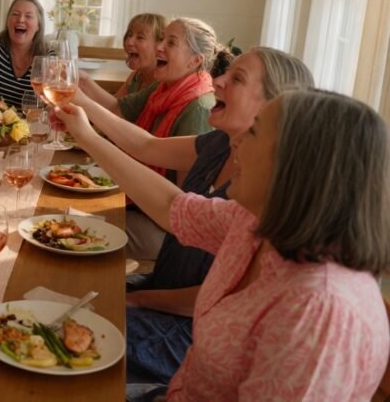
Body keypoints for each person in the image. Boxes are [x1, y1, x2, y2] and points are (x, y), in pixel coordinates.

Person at [56, 89, 390, 401]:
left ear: (296, 165)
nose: (237, 142)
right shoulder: (253, 223)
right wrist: (86, 136)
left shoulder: (319, 312)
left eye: (254, 132)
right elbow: (172, 207)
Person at [76, 48, 313, 385]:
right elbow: (149, 153)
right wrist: (81, 109)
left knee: (72, 333)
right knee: (70, 291)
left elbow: (217, 298)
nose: (217, 80)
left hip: (189, 328)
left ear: (274, 107)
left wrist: (136, 300)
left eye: (237, 78)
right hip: (161, 287)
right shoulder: (220, 144)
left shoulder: (263, 198)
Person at [77, 17, 228, 259]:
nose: (160, 46)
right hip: (139, 203)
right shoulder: (163, 88)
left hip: (164, 229)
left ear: (195, 61)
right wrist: (82, 82)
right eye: (161, 39)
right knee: (70, 209)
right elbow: (118, 110)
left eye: (171, 42)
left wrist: (81, 106)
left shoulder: (199, 107)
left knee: (75, 225)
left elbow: (182, 201)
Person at [115, 13, 167, 99]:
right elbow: (113, 104)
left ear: (160, 45)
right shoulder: (135, 77)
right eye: (129, 35)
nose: (129, 42)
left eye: (140, 37)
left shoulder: (164, 84)